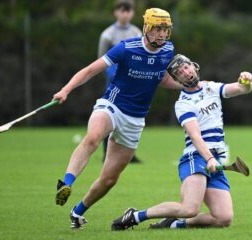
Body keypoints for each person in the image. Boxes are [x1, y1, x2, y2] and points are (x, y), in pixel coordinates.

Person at [54, 8, 182, 229]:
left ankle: (77, 212)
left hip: (136, 119)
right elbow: (90, 70)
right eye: (158, 29)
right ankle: (65, 183)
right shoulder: (126, 48)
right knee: (93, 138)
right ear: (147, 28)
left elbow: (161, 80)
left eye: (165, 29)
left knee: (110, 179)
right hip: (112, 105)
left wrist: (191, 86)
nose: (162, 34)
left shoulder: (168, 50)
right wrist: (66, 90)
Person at [111, 54, 252, 230]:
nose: (185, 72)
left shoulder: (211, 87)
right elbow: (195, 135)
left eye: (186, 67)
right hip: (197, 157)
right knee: (189, 208)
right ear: (176, 79)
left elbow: (241, 89)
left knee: (223, 218)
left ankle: (175, 224)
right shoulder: (183, 104)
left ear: (194, 66)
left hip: (213, 158)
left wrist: (246, 81)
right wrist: (209, 158)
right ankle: (135, 216)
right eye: (180, 72)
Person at [98, 0, 143, 163]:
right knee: (108, 115)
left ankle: (130, 155)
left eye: (128, 10)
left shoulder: (137, 32)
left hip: (134, 82)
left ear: (132, 13)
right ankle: (106, 154)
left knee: (132, 116)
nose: (125, 14)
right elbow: (101, 59)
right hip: (115, 82)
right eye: (122, 10)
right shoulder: (108, 34)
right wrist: (113, 76)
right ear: (116, 12)